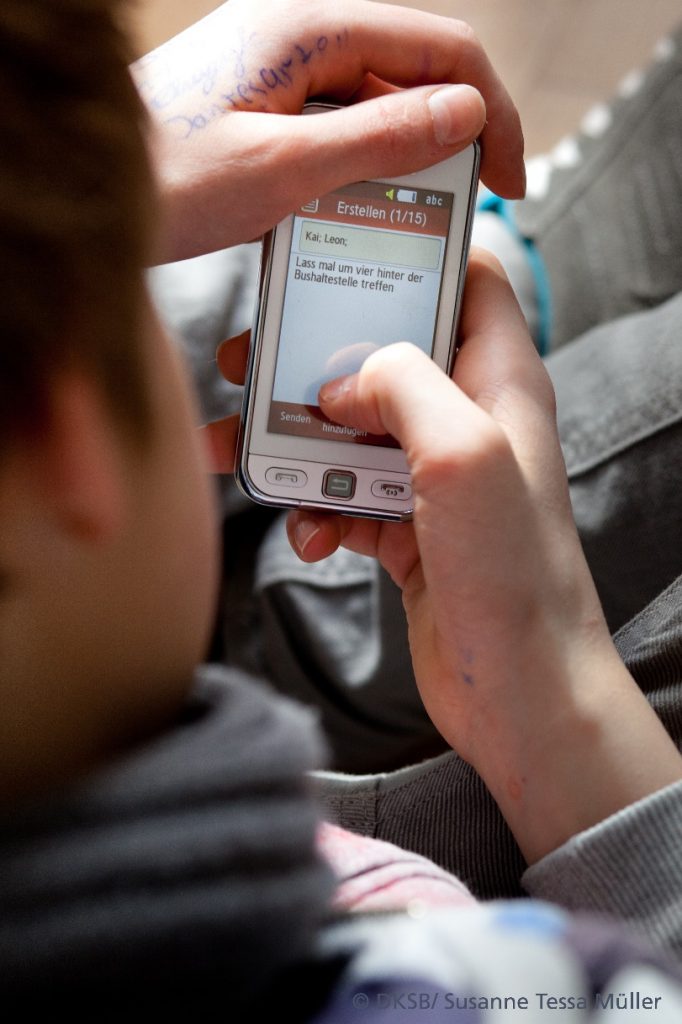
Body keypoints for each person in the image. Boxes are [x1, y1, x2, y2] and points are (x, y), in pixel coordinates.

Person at [2, 0, 682, 1019]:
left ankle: (512, 260)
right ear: (67, 430)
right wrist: (548, 682)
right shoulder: (464, 980)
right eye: (127, 289)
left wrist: (97, 194)